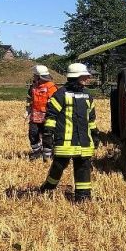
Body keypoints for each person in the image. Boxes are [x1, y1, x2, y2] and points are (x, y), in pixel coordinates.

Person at [40, 63, 100, 202]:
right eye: (85, 76)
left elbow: (91, 118)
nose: (88, 78)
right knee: (58, 166)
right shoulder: (60, 95)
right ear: (76, 77)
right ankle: (48, 188)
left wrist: (95, 134)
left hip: (84, 141)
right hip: (65, 141)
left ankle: (83, 196)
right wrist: (48, 134)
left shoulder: (87, 96)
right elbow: (51, 116)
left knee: (83, 167)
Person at [26, 65, 58, 160]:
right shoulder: (33, 87)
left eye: (35, 75)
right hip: (35, 116)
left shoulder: (51, 87)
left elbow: (56, 102)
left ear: (40, 76)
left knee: (47, 135)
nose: (34, 77)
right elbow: (29, 100)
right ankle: (37, 152)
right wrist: (27, 111)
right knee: (33, 133)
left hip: (48, 116)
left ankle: (47, 155)